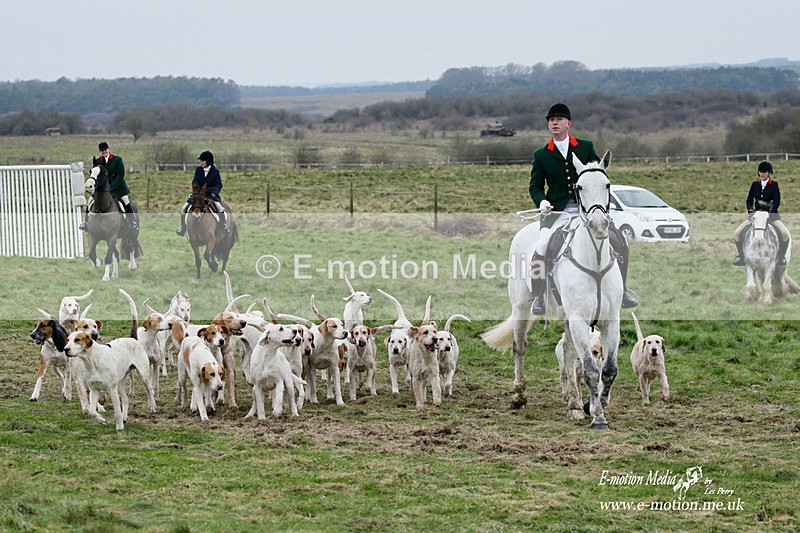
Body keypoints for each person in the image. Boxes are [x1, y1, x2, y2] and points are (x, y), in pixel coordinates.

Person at [528, 103, 638, 315]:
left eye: (559, 119)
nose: (554, 123)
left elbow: (597, 174)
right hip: (557, 213)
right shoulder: (541, 155)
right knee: (541, 247)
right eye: (551, 120)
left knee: (618, 240)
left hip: (588, 209)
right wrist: (542, 202)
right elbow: (535, 186)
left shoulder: (585, 147)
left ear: (568, 123)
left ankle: (622, 290)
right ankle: (539, 296)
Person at [732, 160, 791, 266]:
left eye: (764, 172)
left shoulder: (774, 185)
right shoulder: (755, 185)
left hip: (771, 216)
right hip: (756, 215)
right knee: (737, 233)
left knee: (785, 233)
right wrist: (750, 210)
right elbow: (749, 200)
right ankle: (742, 256)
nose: (762, 174)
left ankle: (781, 257)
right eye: (761, 172)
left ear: (769, 173)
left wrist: (771, 212)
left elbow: (777, 200)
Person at [80, 141, 137, 231]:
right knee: (90, 201)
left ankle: (132, 221)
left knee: (126, 201)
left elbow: (120, 174)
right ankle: (86, 222)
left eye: (105, 149)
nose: (104, 152)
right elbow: (95, 175)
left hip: (117, 187)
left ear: (108, 149)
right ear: (100, 152)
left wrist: (113, 186)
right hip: (102, 189)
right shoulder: (98, 161)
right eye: (102, 151)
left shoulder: (117, 160)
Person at [176, 150, 229, 236]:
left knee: (220, 209)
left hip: (211, 195)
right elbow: (195, 181)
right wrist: (198, 189)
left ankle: (224, 225)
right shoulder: (198, 170)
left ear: (208, 161)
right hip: (198, 194)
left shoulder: (215, 171)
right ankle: (183, 227)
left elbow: (219, 185)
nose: (201, 162)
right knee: (184, 208)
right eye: (201, 161)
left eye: (203, 161)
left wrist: (214, 193)